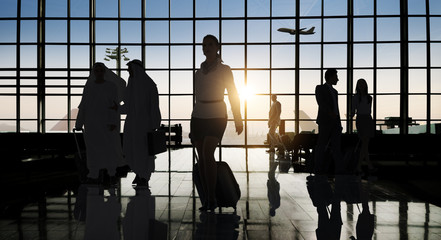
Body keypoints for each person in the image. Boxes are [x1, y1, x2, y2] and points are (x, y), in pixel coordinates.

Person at [191, 35, 243, 211]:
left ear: (217, 47)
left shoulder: (225, 69)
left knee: (207, 153)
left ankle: (212, 197)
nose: (206, 47)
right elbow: (198, 97)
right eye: (204, 44)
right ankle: (207, 197)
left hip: (217, 115)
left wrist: (238, 118)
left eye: (210, 44)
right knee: (202, 158)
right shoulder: (198, 72)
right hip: (198, 115)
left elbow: (233, 93)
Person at [75, 62, 123, 185]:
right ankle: (93, 173)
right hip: (91, 124)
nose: (99, 73)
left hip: (106, 123)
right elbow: (84, 105)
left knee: (109, 148)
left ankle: (112, 173)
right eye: (97, 70)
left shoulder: (111, 86)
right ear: (94, 72)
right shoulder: (89, 87)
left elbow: (114, 106)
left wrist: (113, 122)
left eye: (101, 70)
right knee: (93, 149)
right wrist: (79, 123)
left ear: (104, 72)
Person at [121, 59, 161, 187]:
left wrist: (155, 123)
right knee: (131, 148)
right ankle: (138, 173)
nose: (128, 72)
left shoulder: (149, 85)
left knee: (144, 151)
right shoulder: (131, 84)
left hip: (145, 124)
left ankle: (144, 175)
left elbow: (154, 106)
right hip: (132, 123)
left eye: (130, 69)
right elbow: (127, 106)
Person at [314, 68, 343, 174]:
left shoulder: (335, 92)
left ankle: (339, 169)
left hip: (335, 122)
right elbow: (321, 103)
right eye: (336, 77)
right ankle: (318, 168)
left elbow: (336, 108)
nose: (338, 79)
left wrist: (339, 123)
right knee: (322, 145)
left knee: (336, 147)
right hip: (325, 121)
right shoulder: (320, 88)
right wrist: (330, 113)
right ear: (330, 77)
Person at [351, 79, 375, 174]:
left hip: (368, 119)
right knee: (365, 144)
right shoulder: (355, 97)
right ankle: (368, 165)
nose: (361, 86)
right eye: (360, 84)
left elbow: (369, 110)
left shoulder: (369, 97)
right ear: (357, 86)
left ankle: (360, 167)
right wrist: (351, 115)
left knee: (365, 144)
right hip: (361, 119)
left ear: (365, 85)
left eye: (363, 84)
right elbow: (353, 110)